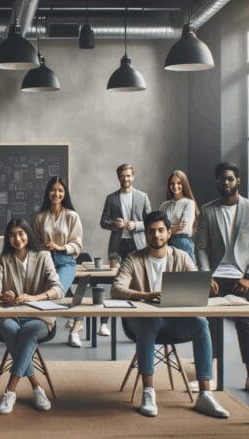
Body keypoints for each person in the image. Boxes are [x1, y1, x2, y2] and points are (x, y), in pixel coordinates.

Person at [111, 211, 229, 419]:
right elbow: (116, 288)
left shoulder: (181, 257)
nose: (156, 235)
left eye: (161, 231)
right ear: (146, 234)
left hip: (174, 322)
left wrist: (205, 286)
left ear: (168, 233)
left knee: (201, 324)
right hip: (140, 324)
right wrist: (146, 295)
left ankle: (204, 393)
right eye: (151, 231)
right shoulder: (133, 258)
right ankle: (148, 392)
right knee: (150, 321)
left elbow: (196, 280)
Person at [195, 161, 249, 397]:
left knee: (246, 322)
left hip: (245, 276)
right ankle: (209, 374)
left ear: (237, 181)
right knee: (209, 323)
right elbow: (200, 247)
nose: (225, 182)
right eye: (221, 179)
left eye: (230, 178)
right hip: (215, 277)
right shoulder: (208, 210)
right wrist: (206, 275)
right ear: (216, 182)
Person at [0, 218, 64, 414]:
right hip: (10, 315)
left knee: (28, 333)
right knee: (11, 329)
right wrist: (2, 295)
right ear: (7, 238)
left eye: (21, 233)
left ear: (28, 234)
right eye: (12, 235)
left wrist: (35, 297)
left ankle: (10, 390)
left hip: (39, 316)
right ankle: (37, 386)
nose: (17, 238)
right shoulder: (5, 259)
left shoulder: (43, 256)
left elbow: (58, 289)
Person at [31, 176, 85, 347]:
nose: (56, 193)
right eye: (53, 190)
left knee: (56, 290)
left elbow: (77, 244)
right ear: (48, 192)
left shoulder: (72, 216)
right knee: (65, 295)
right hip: (45, 261)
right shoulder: (40, 217)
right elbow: (33, 243)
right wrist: (43, 247)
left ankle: (68, 329)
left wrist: (61, 247)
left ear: (65, 193)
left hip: (65, 261)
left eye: (60, 190)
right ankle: (78, 319)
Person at [99, 163, 151, 337]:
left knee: (138, 283)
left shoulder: (142, 196)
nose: (126, 179)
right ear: (118, 177)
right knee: (114, 282)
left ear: (133, 176)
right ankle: (104, 322)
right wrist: (114, 224)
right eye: (123, 176)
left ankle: (137, 323)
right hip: (117, 245)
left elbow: (150, 222)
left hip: (138, 245)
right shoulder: (111, 198)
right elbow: (103, 222)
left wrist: (135, 225)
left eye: (128, 176)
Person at [158, 170, 198, 263]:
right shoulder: (164, 205)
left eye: (179, 183)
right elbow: (158, 227)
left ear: (184, 184)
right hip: (165, 244)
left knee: (185, 276)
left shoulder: (189, 203)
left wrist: (166, 229)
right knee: (168, 275)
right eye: (172, 183)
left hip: (182, 243)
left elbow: (185, 228)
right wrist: (176, 227)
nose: (175, 186)